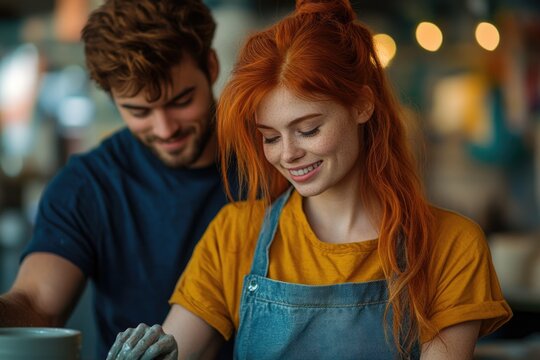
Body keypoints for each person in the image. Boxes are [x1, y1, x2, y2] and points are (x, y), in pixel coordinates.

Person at [106, 0, 513, 359]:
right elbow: (180, 347)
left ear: (362, 105)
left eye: (308, 129)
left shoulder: (451, 245)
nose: (287, 154)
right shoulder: (235, 234)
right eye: (270, 137)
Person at [0, 0, 237, 358]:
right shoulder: (88, 185)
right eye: (139, 111)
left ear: (212, 66)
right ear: (112, 98)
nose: (165, 128)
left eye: (181, 100)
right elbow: (36, 302)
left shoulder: (276, 157)